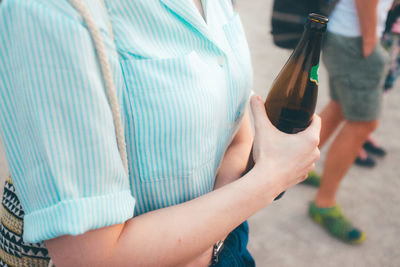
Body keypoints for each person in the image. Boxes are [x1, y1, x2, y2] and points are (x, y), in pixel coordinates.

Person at [0, 0, 321, 266]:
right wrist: (271, 177)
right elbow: (92, 257)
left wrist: (213, 241)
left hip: (228, 244)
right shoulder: (50, 10)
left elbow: (234, 127)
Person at [305, 0, 393, 244]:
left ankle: (295, 167)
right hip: (354, 38)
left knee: (340, 107)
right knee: (363, 123)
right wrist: (369, 42)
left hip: (343, 33)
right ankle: (323, 204)